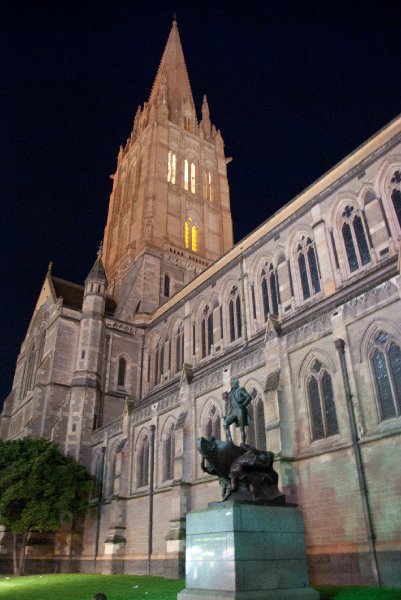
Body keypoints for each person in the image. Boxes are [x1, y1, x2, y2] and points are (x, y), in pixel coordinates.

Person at [223, 377, 252, 444]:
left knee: (242, 428)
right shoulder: (230, 393)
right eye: (233, 383)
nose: (234, 384)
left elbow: (248, 397)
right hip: (233, 411)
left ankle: (243, 443)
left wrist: (243, 404)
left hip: (240, 410)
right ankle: (230, 440)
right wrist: (227, 415)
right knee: (225, 424)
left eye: (235, 383)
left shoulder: (240, 389)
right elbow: (230, 406)